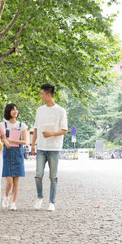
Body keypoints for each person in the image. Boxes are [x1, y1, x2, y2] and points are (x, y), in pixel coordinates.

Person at [31, 84, 68, 212]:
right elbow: (35, 128)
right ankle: (39, 197)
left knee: (53, 176)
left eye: (42, 94)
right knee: (38, 174)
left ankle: (52, 201)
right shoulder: (39, 110)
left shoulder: (61, 111)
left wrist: (51, 134)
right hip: (41, 147)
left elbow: (64, 130)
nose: (40, 96)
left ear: (48, 95)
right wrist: (32, 145)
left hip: (54, 148)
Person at [2, 104, 29, 211]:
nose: (15, 111)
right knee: (9, 180)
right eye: (13, 109)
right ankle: (6, 196)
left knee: (16, 180)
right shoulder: (3, 125)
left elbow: (25, 141)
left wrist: (12, 140)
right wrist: (5, 140)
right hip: (7, 154)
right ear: (8, 111)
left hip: (18, 154)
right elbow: (1, 138)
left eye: (16, 109)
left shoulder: (22, 125)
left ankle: (13, 202)